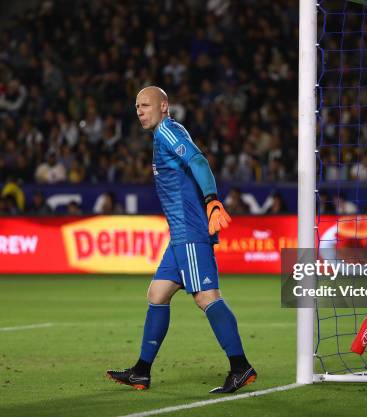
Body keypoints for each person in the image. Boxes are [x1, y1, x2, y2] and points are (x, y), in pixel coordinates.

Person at [107, 86, 256, 394]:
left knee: (206, 297)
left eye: (145, 105)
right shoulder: (168, 133)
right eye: (137, 106)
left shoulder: (168, 132)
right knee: (157, 293)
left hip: (189, 231)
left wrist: (212, 200)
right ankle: (141, 371)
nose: (139, 111)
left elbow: (199, 162)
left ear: (164, 106)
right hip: (179, 234)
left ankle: (240, 367)